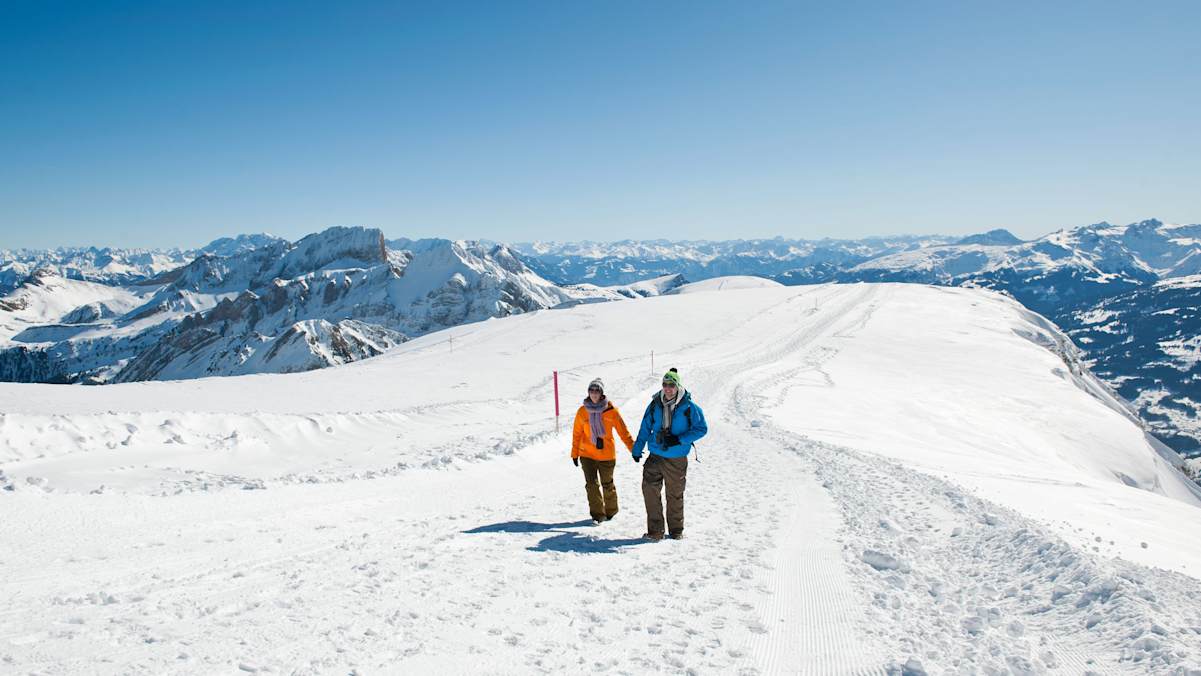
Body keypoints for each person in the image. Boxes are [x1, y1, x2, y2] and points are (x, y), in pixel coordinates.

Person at [632, 368, 707, 541]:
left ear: (678, 385)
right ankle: (655, 531)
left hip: (676, 458)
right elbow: (645, 428)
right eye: (665, 384)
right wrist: (637, 449)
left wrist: (679, 439)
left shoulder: (689, 407)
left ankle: (676, 531)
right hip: (656, 455)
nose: (667, 388)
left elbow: (701, 428)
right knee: (649, 490)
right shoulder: (655, 405)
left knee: (674, 495)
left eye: (671, 385)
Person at [571, 377, 635, 524]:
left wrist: (633, 449)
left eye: (596, 390)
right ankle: (597, 515)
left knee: (607, 484)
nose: (594, 393)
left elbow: (623, 432)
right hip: (587, 454)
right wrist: (574, 453)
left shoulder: (611, 411)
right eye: (591, 390)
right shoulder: (582, 411)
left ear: (601, 393)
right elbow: (576, 434)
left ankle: (611, 511)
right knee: (591, 485)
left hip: (606, 455)